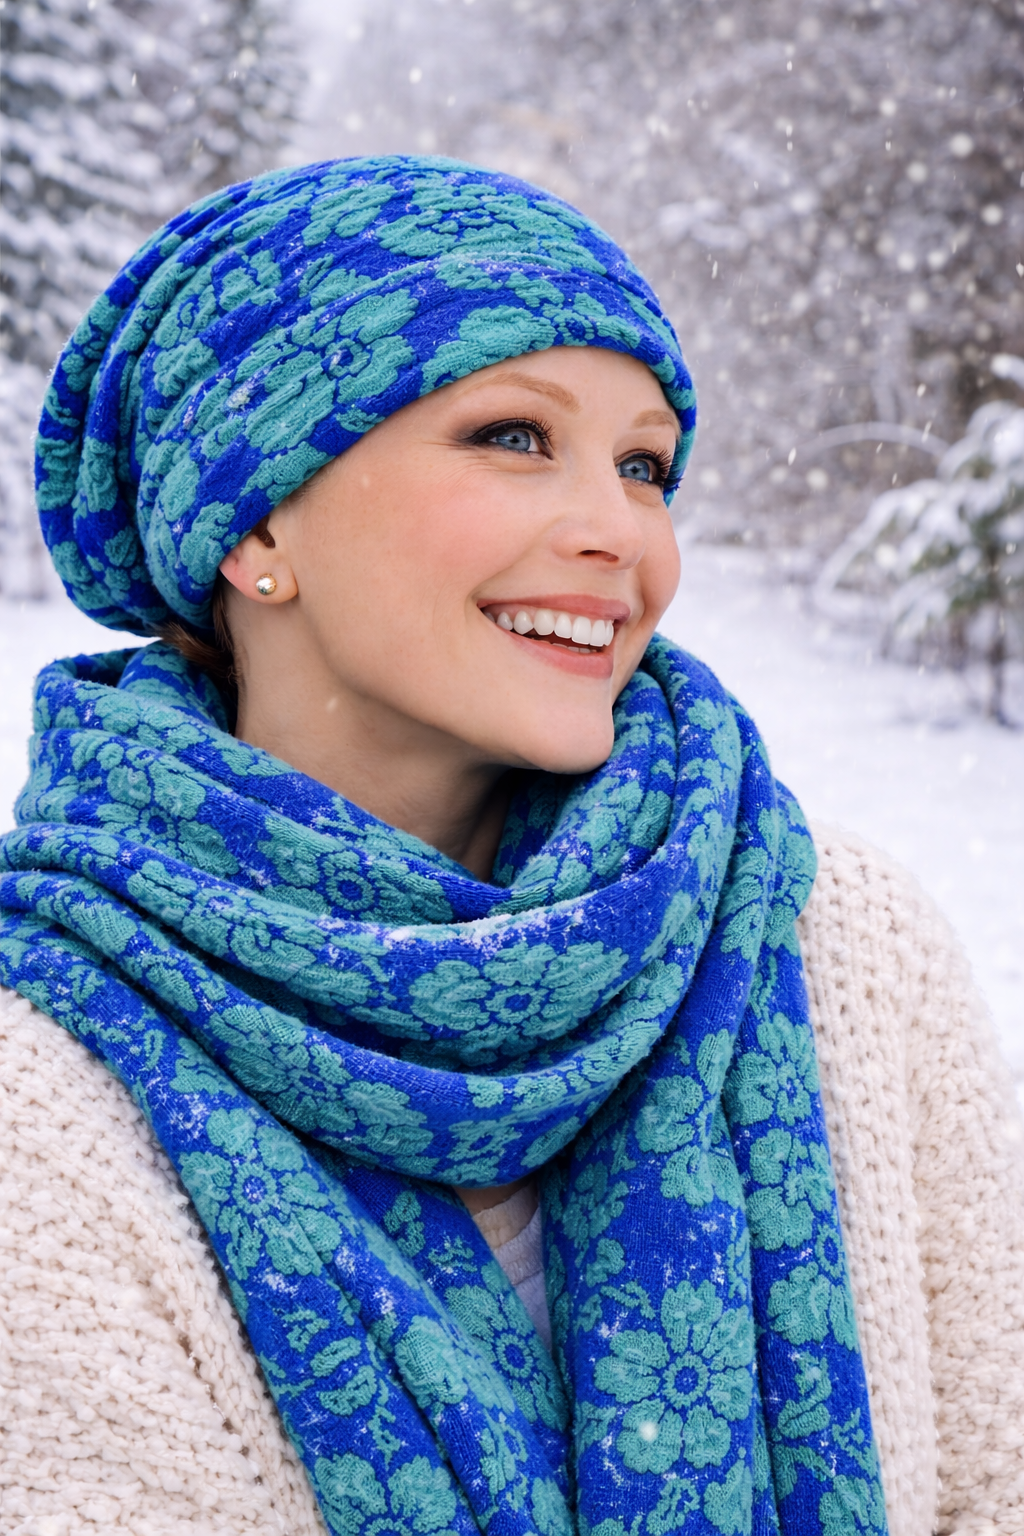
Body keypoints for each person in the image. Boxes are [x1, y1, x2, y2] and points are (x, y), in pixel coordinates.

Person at [0, 157, 1021, 1536]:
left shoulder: (836, 945)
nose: (622, 536)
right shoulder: (43, 1089)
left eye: (645, 464)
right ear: (253, 524)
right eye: (514, 438)